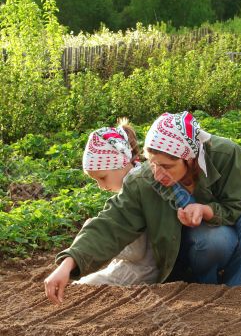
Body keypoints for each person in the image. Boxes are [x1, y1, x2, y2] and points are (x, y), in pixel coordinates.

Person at [45, 111, 241, 304]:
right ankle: (206, 289)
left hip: (232, 227)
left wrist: (206, 211)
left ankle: (235, 287)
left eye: (168, 166)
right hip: (195, 249)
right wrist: (69, 263)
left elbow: (240, 202)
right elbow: (111, 224)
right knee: (214, 240)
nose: (159, 174)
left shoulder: (225, 154)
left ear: (189, 159)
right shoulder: (144, 180)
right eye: (154, 164)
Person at [44, 120, 158, 304]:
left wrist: (105, 249)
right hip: (140, 266)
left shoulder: (137, 189)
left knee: (81, 288)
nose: (101, 186)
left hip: (143, 270)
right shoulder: (137, 180)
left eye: (102, 177)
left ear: (120, 162)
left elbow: (136, 252)